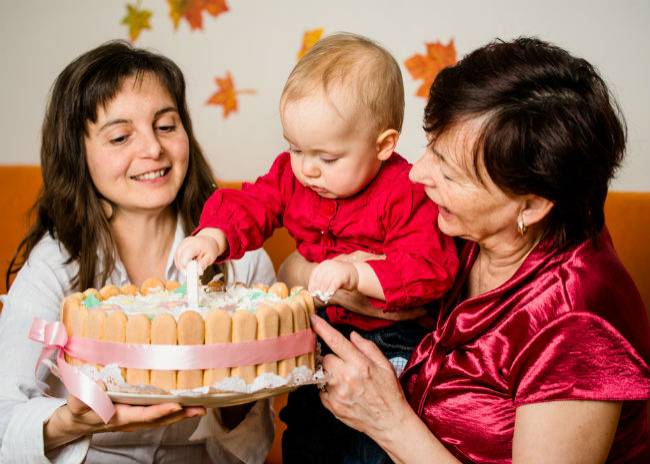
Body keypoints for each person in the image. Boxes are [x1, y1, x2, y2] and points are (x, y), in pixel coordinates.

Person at [283, 37, 650, 463]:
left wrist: (387, 421)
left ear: (529, 205)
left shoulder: (578, 320)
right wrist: (352, 285)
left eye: (450, 173)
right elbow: (294, 265)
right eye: (431, 149)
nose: (417, 174)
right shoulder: (459, 226)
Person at [175, 32, 459, 462]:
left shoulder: (407, 190)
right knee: (307, 427)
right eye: (294, 149)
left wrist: (357, 273)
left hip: (390, 342)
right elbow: (255, 203)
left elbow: (429, 268)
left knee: (367, 446)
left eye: (327, 158)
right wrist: (215, 235)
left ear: (383, 145)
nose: (307, 168)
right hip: (318, 331)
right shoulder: (295, 175)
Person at [0, 40, 276, 463]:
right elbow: (4, 416)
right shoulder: (56, 264)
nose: (152, 149)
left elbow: (252, 446)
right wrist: (73, 422)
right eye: (120, 136)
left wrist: (236, 387)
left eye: (166, 126)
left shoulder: (239, 257)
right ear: (79, 154)